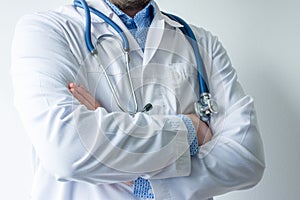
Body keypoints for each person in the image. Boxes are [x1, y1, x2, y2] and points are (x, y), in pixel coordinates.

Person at [11, 0, 265, 199]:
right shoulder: (46, 31)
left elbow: (246, 158)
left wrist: (139, 178)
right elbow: (66, 151)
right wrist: (192, 130)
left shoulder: (201, 43)